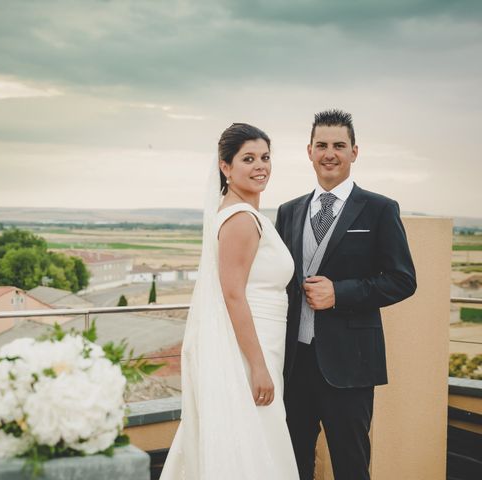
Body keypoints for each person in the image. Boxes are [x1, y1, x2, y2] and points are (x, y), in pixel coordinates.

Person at [275, 109, 417, 480]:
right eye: (321, 145)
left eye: (339, 145)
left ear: (355, 152)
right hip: (295, 365)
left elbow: (403, 279)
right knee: (293, 463)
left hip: (350, 367)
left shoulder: (380, 209)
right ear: (309, 151)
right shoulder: (289, 212)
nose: (329, 153)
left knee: (351, 466)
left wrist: (340, 293)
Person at [161, 123, 298, 479]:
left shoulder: (237, 212)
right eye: (248, 159)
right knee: (258, 437)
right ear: (225, 167)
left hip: (263, 341)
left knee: (252, 435)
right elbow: (233, 294)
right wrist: (257, 366)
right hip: (252, 349)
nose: (260, 166)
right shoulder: (240, 219)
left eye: (266, 157)